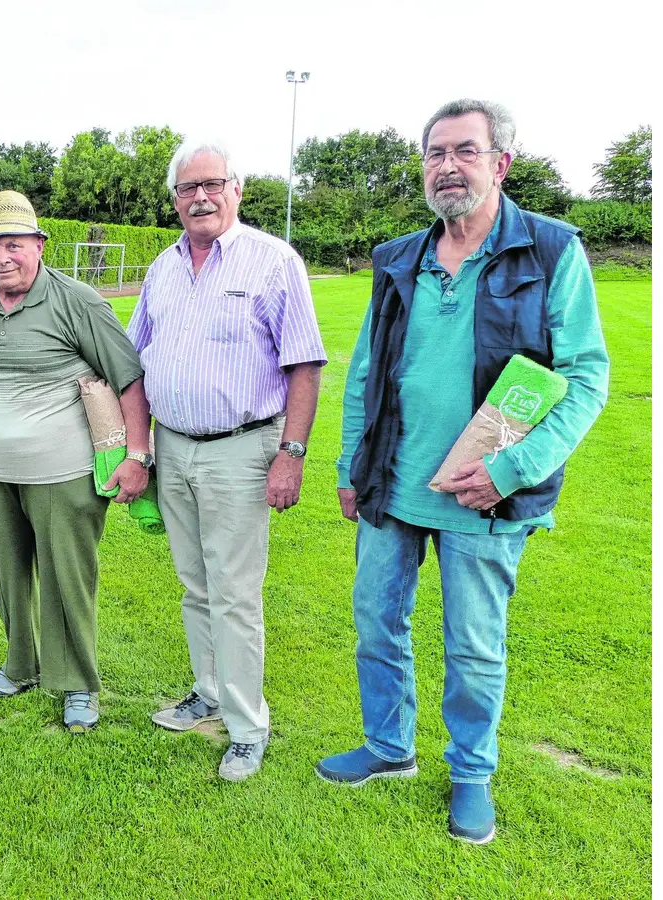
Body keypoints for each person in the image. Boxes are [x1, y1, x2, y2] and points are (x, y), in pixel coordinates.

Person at [319, 99, 611, 845]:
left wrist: (512, 471)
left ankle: (472, 773)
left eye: (465, 151)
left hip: (486, 494)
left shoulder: (549, 251)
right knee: (376, 620)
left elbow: (585, 377)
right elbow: (366, 375)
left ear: (501, 164)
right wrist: (353, 466)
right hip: (393, 480)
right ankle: (388, 749)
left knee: (476, 645)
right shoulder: (397, 259)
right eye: (435, 153)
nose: (447, 166)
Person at [127, 139, 327, 781]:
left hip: (243, 449)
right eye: (187, 188)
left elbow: (304, 364)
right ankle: (207, 693)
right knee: (195, 585)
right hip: (174, 447)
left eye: (213, 184)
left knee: (235, 595)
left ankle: (246, 727)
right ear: (175, 199)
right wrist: (138, 446)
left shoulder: (274, 261)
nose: (201, 197)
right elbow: (135, 357)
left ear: (237, 190)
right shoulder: (162, 268)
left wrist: (290, 454)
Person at [0, 191, 148, 732]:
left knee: (67, 578)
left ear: (39, 245)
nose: (1, 258)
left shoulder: (76, 300)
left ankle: (79, 684)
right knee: (5, 571)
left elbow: (129, 377)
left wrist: (137, 454)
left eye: (13, 244)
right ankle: (21, 666)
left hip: (64, 473)